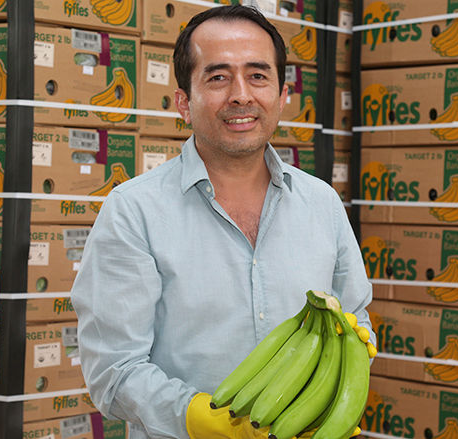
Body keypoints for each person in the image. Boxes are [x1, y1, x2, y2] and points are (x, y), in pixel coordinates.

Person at [71, 5, 375, 438]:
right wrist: (201, 418)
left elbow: (355, 321)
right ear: (183, 103)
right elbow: (114, 372)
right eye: (217, 77)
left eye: (258, 75)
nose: (241, 95)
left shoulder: (322, 204)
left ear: (282, 96)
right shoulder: (133, 213)